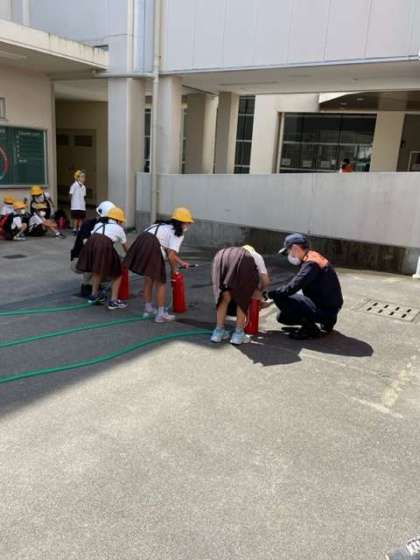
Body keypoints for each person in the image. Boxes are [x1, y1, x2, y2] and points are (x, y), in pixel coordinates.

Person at [124, 207, 194, 323]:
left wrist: (181, 262)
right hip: (152, 247)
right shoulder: (178, 233)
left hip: (140, 243)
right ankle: (160, 315)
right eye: (188, 222)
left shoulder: (161, 225)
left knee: (148, 278)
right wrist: (174, 271)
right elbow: (170, 256)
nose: (189, 225)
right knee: (160, 281)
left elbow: (166, 248)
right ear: (182, 222)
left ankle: (148, 309)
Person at [268, 233, 343, 340]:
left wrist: (268, 294)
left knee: (279, 296)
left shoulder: (311, 264)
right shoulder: (313, 256)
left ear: (295, 248)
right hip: (330, 307)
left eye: (288, 251)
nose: (289, 255)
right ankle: (327, 322)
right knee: (282, 317)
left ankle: (310, 329)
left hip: (324, 310)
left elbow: (292, 288)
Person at [210, 244, 270, 345]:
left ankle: (218, 332)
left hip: (220, 257)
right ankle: (238, 335)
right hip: (241, 262)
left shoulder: (231, 252)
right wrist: (261, 291)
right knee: (242, 299)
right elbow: (265, 280)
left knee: (224, 297)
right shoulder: (254, 255)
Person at [76, 206, 128, 310]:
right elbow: (125, 247)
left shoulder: (99, 224)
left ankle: (93, 296)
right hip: (103, 246)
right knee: (117, 273)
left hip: (90, 246)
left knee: (97, 270)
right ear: (117, 220)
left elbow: (94, 236)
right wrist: (131, 257)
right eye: (121, 221)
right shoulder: (118, 229)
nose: (121, 223)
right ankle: (113, 301)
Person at [70, 200, 116, 297]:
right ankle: (87, 286)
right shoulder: (88, 224)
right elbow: (87, 245)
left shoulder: (108, 226)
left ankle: (95, 283)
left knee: (115, 263)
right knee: (97, 259)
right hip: (79, 259)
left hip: (90, 257)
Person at [69, 170, 87, 235]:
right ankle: (74, 229)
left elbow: (84, 196)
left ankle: (79, 229)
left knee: (81, 218)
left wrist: (84, 203)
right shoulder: (74, 185)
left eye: (84, 177)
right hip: (75, 205)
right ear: (77, 178)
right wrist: (71, 202)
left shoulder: (84, 187)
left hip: (82, 205)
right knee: (76, 218)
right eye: (82, 177)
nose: (83, 178)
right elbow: (70, 194)